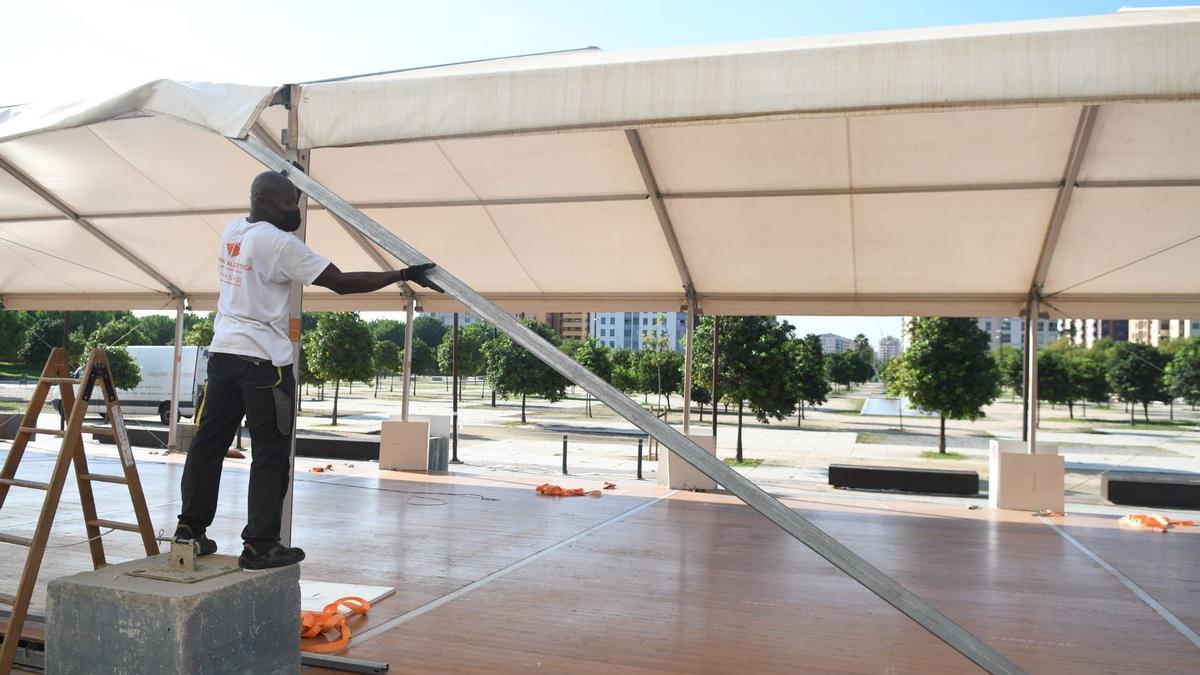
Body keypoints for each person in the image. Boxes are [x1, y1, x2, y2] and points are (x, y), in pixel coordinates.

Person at [175, 170, 441, 570]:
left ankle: (189, 532)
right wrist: (402, 275)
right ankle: (261, 545)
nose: (296, 212)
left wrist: (285, 175)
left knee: (207, 446)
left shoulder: (233, 230)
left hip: (224, 356)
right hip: (265, 365)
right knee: (270, 456)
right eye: (289, 203)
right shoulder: (279, 244)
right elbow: (342, 283)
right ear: (265, 200)